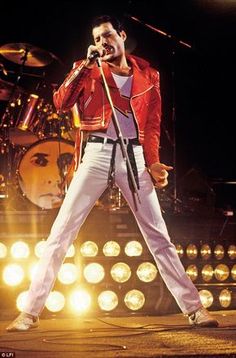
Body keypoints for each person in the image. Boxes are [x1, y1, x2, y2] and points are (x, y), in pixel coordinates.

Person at [6, 15, 219, 332]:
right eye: (96, 38)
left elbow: (152, 125)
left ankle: (194, 308)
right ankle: (29, 312)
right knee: (61, 233)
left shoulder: (149, 75)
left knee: (158, 236)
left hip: (132, 154)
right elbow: (61, 102)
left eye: (107, 36)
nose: (102, 42)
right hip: (96, 152)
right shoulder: (88, 69)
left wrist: (153, 162)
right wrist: (82, 67)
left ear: (121, 35)